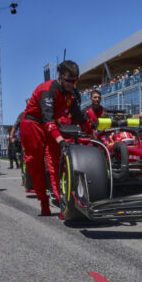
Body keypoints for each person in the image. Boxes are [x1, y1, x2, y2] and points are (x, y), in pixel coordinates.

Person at [19, 60, 93, 215]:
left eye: (75, 81)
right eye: (69, 80)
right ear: (60, 76)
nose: (72, 84)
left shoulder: (70, 94)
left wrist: (93, 135)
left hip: (51, 125)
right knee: (36, 164)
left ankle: (62, 203)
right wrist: (61, 141)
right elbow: (48, 119)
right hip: (32, 124)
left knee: (56, 163)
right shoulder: (48, 90)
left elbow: (79, 117)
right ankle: (43, 202)